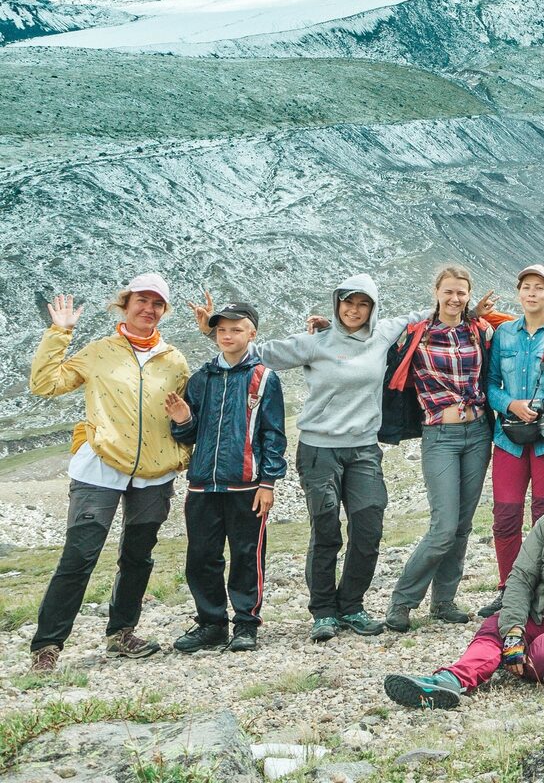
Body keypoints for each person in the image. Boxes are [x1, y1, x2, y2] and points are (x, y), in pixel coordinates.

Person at [192, 274, 434, 643]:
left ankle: (351, 605)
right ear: (336, 304)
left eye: (362, 303)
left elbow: (426, 314)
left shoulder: (383, 333)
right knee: (326, 530)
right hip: (319, 450)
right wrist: (214, 332)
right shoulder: (314, 342)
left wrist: (470, 308)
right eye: (347, 302)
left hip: (364, 449)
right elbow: (253, 351)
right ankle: (323, 612)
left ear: (372, 307)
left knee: (368, 528)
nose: (354, 310)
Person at [381, 455, 544, 709]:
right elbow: (521, 578)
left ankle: (496, 659)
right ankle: (450, 681)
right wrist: (512, 632)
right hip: (542, 614)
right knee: (496, 628)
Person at [26, 275, 192, 672]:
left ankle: (121, 634)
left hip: (153, 473)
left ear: (163, 311)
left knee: (138, 556)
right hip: (98, 468)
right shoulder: (99, 351)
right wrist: (59, 333)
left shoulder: (175, 360)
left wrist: (182, 444)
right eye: (141, 301)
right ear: (125, 304)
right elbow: (44, 384)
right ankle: (47, 645)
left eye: (157, 303)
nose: (148, 309)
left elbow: (184, 414)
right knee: (79, 556)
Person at [384, 265, 504, 632]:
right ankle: (403, 601)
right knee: (442, 527)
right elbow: (367, 339)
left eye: (461, 293)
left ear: (469, 296)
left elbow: (524, 328)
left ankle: (444, 601)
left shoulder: (479, 330)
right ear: (436, 291)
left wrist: (482, 315)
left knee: (463, 526)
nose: (455, 298)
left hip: (478, 433)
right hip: (440, 435)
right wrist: (329, 330)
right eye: (449, 291)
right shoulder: (415, 334)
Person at [165, 302, 286, 653]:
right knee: (202, 556)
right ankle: (211, 623)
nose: (228, 336)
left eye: (236, 329)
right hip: (203, 484)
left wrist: (268, 482)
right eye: (221, 330)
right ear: (214, 334)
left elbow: (273, 434)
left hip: (247, 485)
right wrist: (183, 418)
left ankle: (246, 625)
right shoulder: (201, 378)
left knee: (248, 555)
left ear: (252, 333)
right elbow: (187, 435)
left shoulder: (264, 378)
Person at [480, 264, 544, 617]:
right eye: (526, 286)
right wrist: (510, 403)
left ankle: (542, 586)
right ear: (519, 292)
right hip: (508, 437)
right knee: (505, 515)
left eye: (540, 287)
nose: (532, 292)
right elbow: (490, 384)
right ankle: (509, 587)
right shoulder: (504, 335)